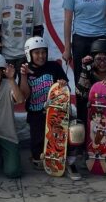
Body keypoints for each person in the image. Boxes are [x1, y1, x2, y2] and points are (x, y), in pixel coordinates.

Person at [19, 35, 69, 170]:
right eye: (36, 53)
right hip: (36, 113)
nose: (41, 56)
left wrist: (62, 84)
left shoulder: (54, 66)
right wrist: (23, 76)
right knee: (38, 147)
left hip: (54, 112)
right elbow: (24, 95)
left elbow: (66, 89)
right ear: (29, 54)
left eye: (43, 52)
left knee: (57, 140)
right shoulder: (25, 69)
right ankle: (36, 156)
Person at [74, 35, 106, 155]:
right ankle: (84, 151)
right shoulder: (88, 72)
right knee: (78, 126)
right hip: (92, 117)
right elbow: (80, 95)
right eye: (98, 59)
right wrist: (84, 70)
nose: (102, 63)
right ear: (93, 59)